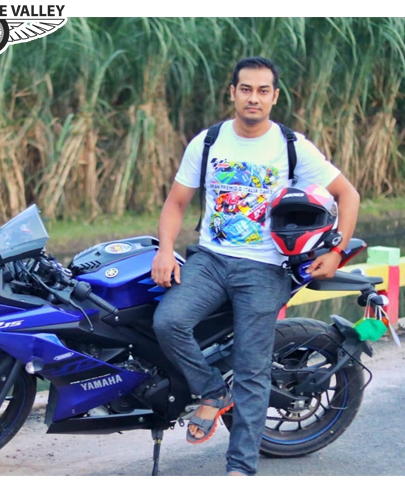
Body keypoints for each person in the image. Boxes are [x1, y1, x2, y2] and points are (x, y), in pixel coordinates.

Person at [151, 56, 360, 476]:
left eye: (263, 91)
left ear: (274, 97)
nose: (254, 98)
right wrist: (165, 249)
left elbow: (348, 194)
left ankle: (240, 469)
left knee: (251, 369)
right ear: (232, 93)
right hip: (211, 260)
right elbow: (176, 202)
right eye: (246, 89)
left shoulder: (291, 146)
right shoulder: (208, 142)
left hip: (265, 267)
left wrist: (336, 251)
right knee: (168, 322)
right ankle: (212, 391)